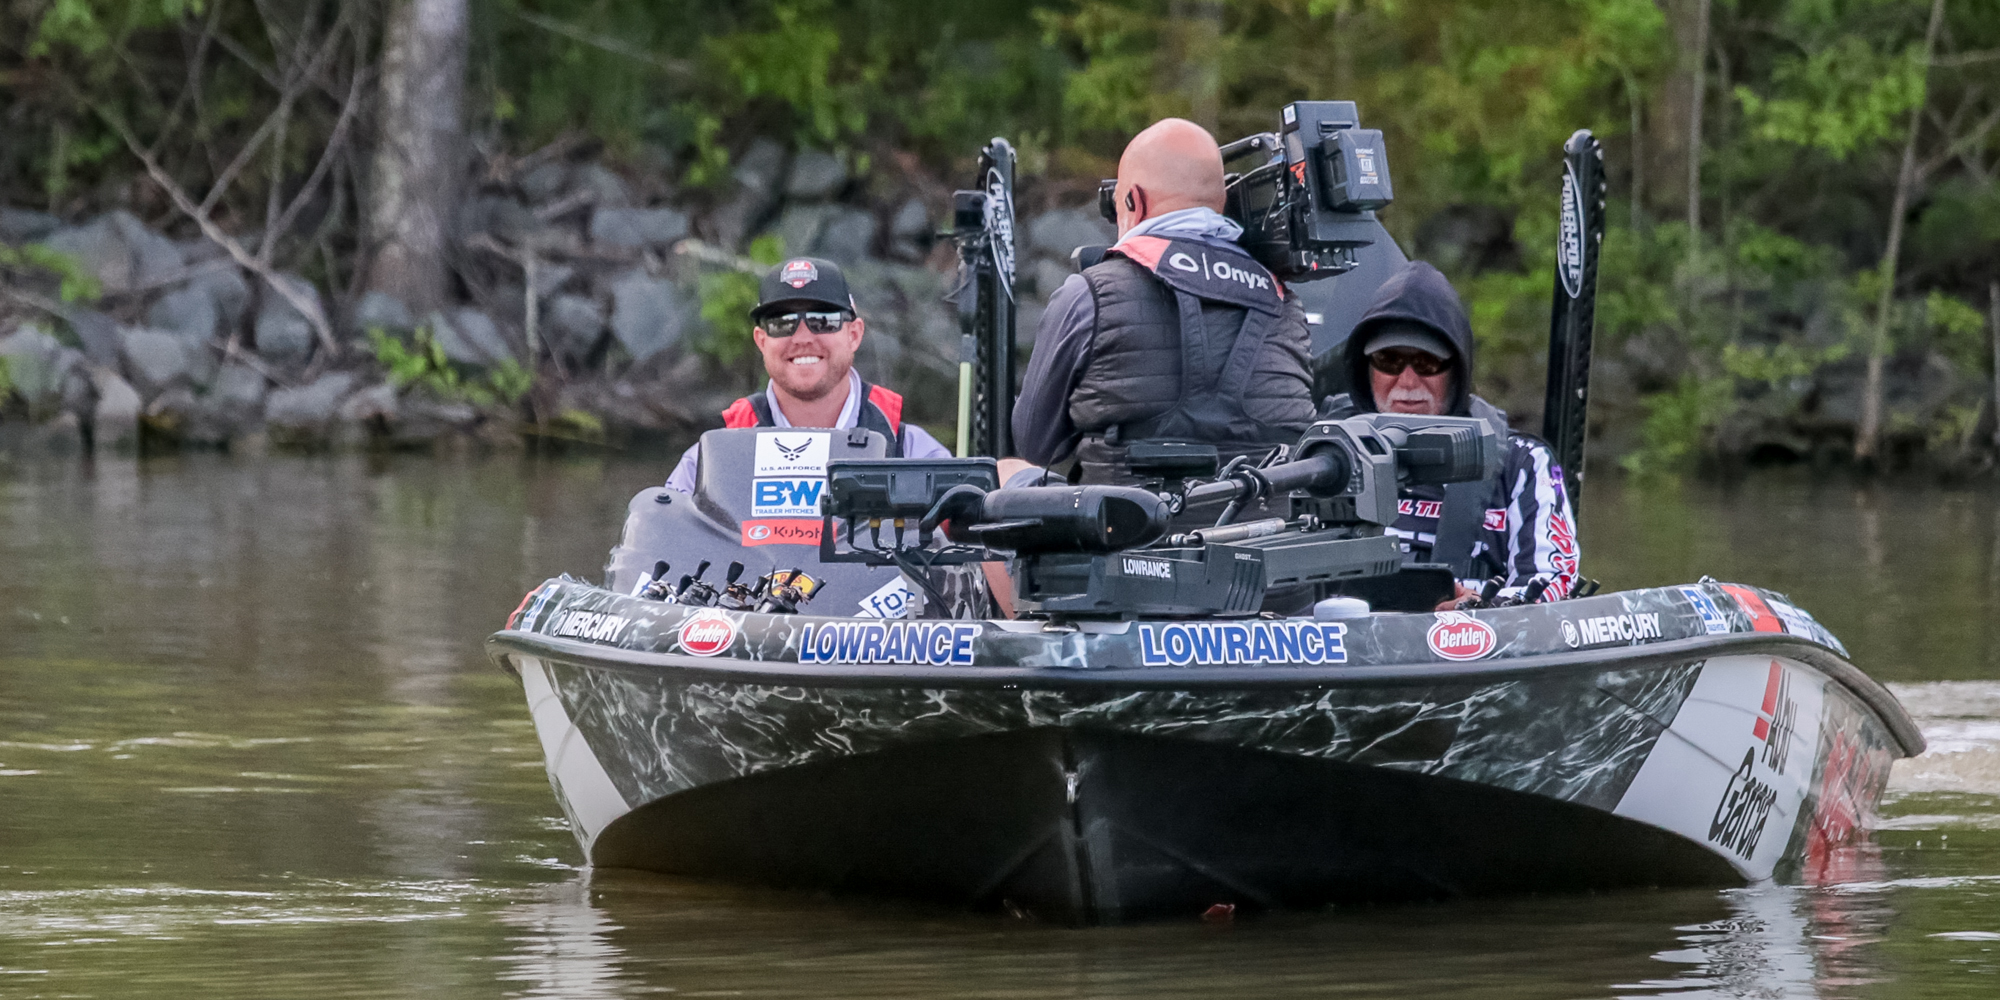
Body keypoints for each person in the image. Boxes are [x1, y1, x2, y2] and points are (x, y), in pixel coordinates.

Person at [1013, 118, 1315, 484]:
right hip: (1268, 532)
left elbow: (1035, 445)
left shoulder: (1088, 294)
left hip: (1126, 535)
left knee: (1010, 470)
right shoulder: (1286, 303)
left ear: (1133, 201)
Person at [1326, 261, 1579, 605]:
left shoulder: (1525, 462)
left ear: (1457, 370)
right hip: (1341, 640)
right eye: (1388, 360)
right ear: (1364, 368)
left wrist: (1478, 608)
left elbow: (1552, 579)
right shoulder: (1324, 454)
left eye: (1427, 363)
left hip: (1468, 646)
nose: (1408, 381)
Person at [666, 256, 954, 492]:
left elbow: (971, 541)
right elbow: (657, 539)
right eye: (782, 323)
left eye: (822, 321)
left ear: (854, 335)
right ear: (761, 341)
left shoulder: (913, 453)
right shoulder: (711, 459)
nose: (803, 337)